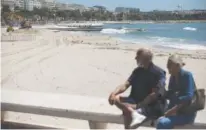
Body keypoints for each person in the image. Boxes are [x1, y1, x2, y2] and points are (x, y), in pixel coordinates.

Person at [108, 48, 167, 129]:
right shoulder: (138, 71)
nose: (135, 58)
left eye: (138, 57)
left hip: (151, 105)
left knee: (127, 112)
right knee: (116, 99)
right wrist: (114, 93)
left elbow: (155, 94)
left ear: (145, 59)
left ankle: (132, 118)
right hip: (136, 101)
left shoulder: (159, 73)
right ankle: (133, 113)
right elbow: (125, 85)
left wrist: (138, 106)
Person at [156, 54, 197, 129]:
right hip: (173, 111)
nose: (169, 71)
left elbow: (188, 96)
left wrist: (176, 100)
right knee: (157, 119)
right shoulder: (172, 77)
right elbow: (170, 94)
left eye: (170, 68)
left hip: (186, 113)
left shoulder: (187, 75)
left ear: (177, 66)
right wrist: (162, 92)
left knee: (162, 123)